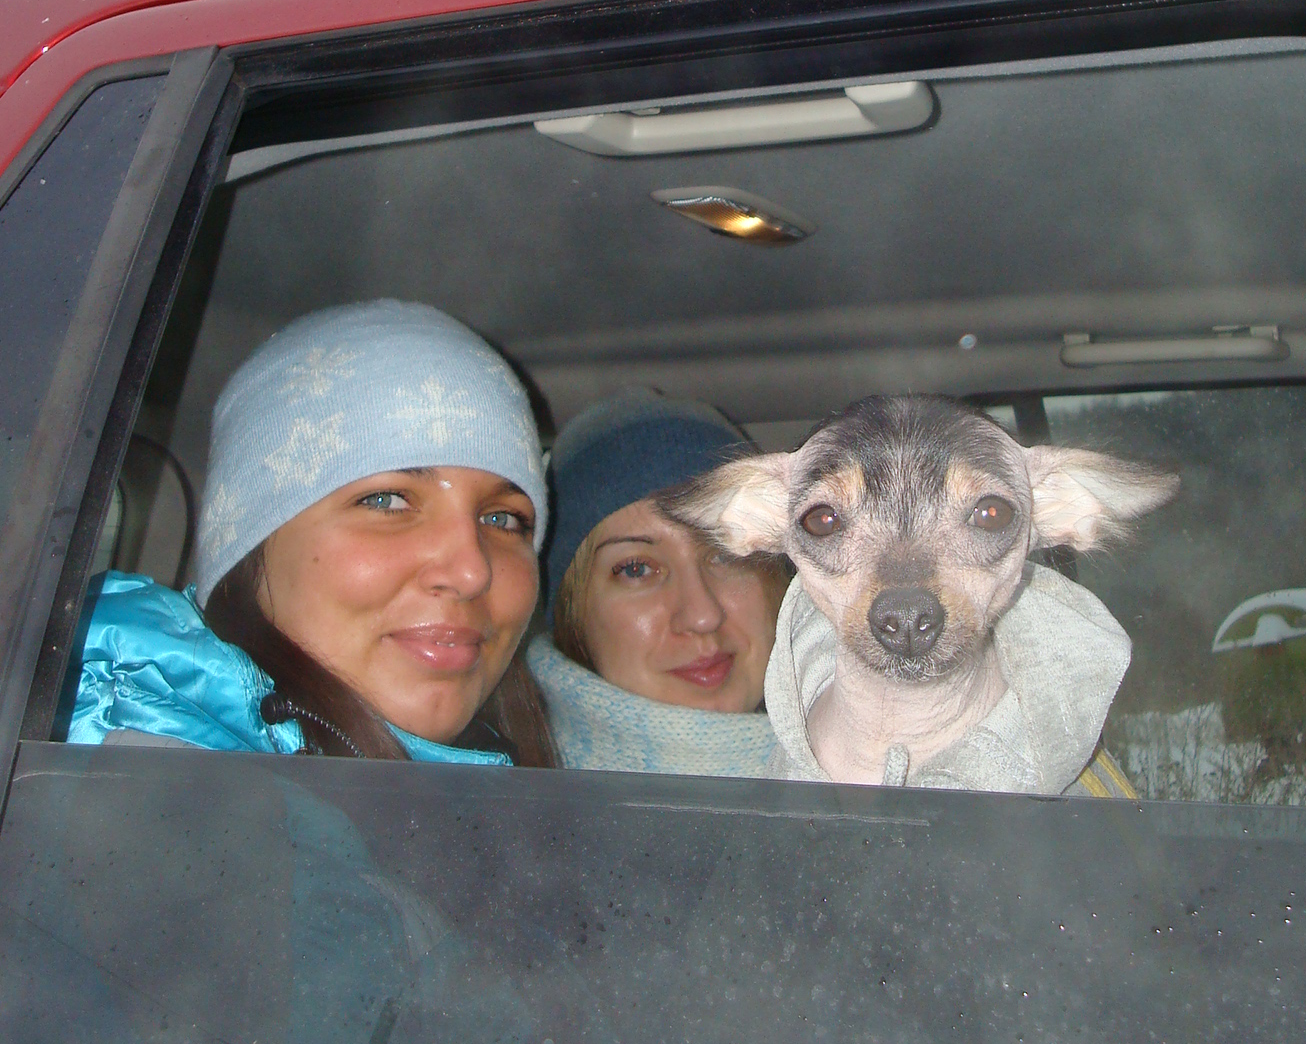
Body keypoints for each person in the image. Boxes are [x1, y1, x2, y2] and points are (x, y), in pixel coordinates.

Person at [67, 299, 556, 764]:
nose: (471, 572)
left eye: (502, 519)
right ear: (246, 548)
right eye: (386, 501)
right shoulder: (138, 788)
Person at [526, 391, 791, 776]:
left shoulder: (873, 787)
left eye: (726, 554)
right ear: (572, 615)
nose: (702, 616)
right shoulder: (499, 802)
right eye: (636, 569)